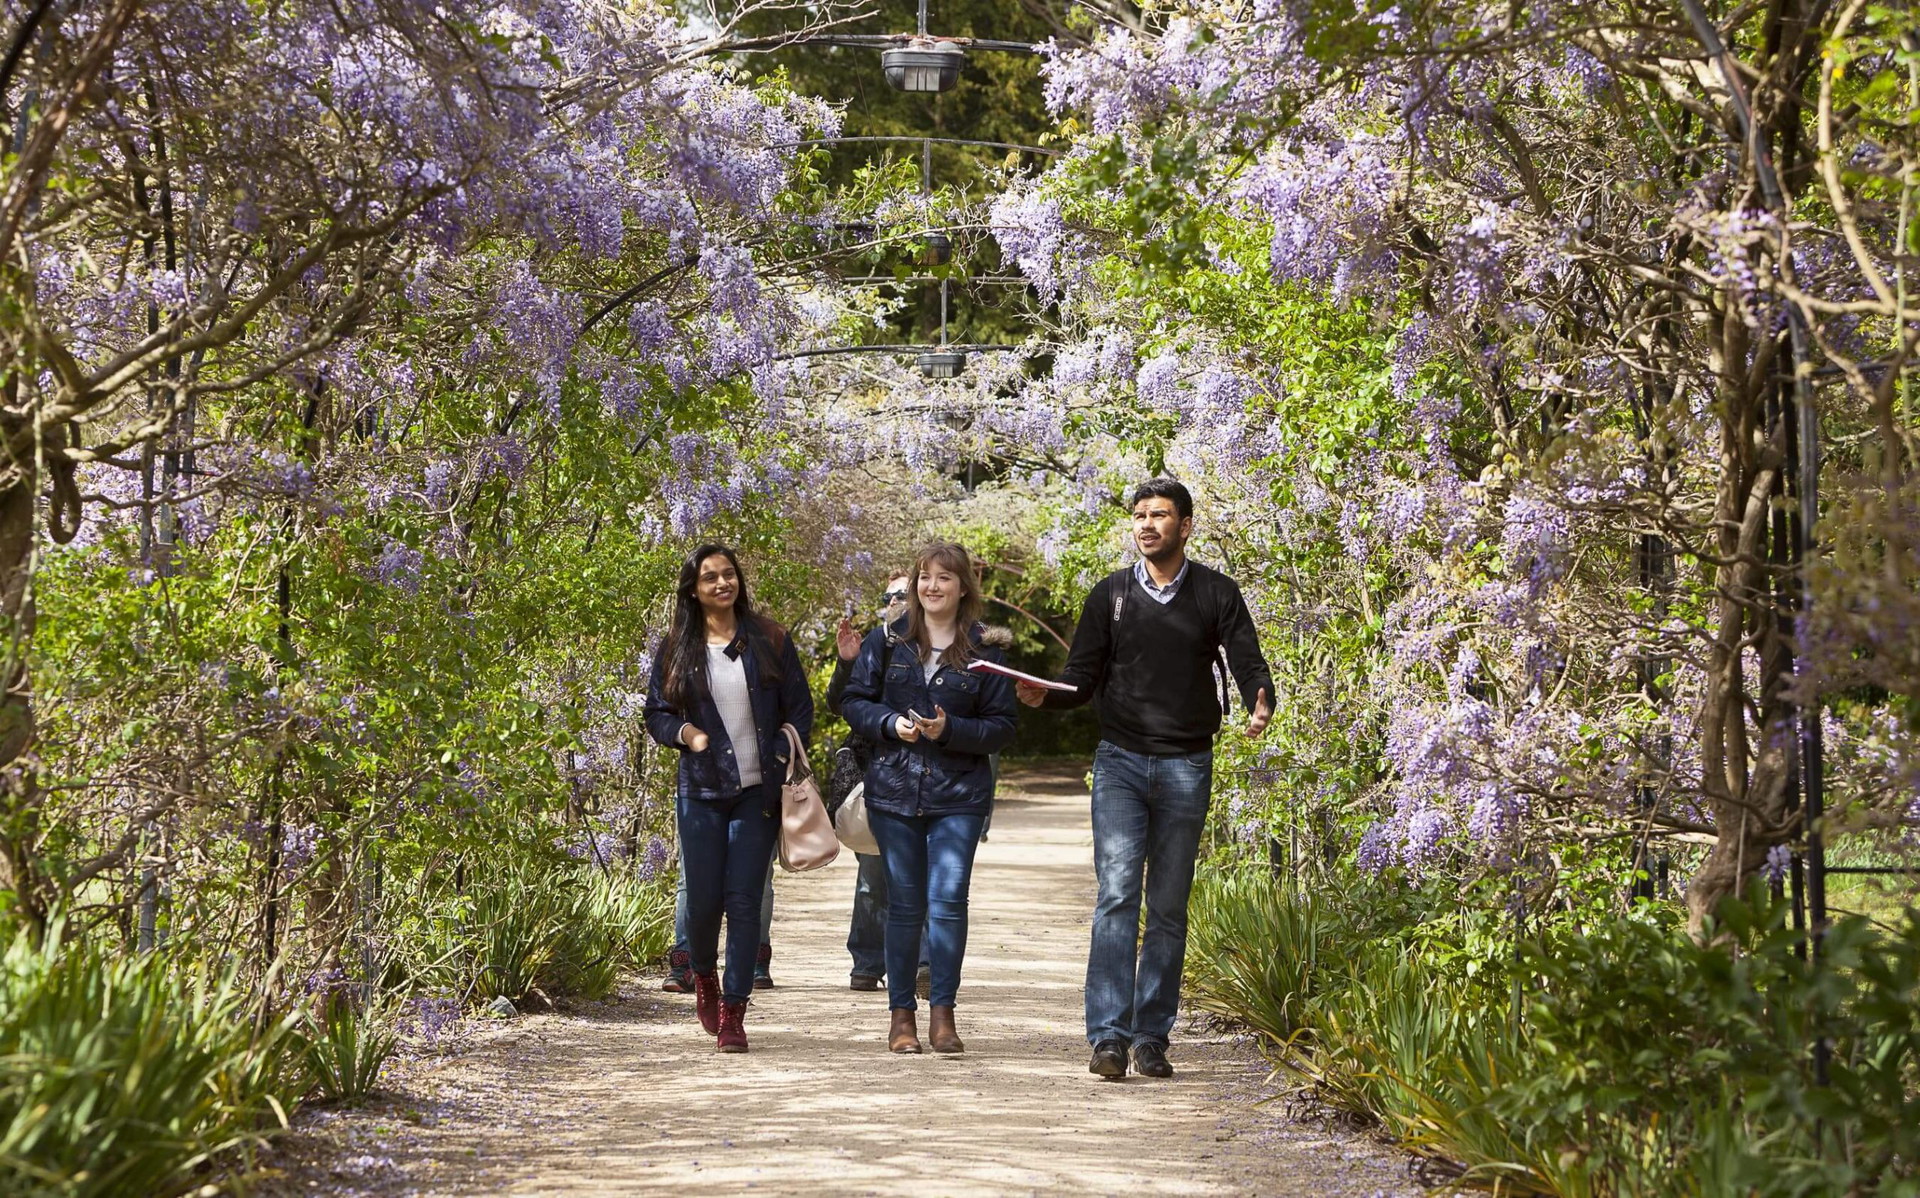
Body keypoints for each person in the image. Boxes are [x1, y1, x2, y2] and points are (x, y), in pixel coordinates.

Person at [1016, 478, 1273, 1081]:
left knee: (1167, 906)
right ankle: (1108, 1037)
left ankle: (1151, 1037)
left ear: (1186, 526)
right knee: (1116, 896)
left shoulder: (1215, 592)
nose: (1147, 524)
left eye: (1160, 515)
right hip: (1121, 763)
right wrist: (1043, 698)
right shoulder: (1111, 595)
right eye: (1139, 515)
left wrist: (1260, 699)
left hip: (1187, 763)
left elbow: (1247, 659)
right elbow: (1081, 677)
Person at [842, 542, 1017, 1054]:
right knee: (904, 907)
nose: (932, 586)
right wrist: (890, 724)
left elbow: (1002, 726)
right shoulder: (887, 641)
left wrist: (949, 729)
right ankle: (901, 1018)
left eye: (944, 577)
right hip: (894, 790)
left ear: (964, 587)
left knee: (947, 903)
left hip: (958, 794)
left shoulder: (987, 651)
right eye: (924, 577)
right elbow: (854, 701)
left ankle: (944, 1014)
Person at [645, 544, 812, 1053]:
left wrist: (782, 752)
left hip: (756, 791)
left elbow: (800, 709)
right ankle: (703, 975)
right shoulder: (679, 644)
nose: (723, 583)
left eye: (729, 574)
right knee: (702, 901)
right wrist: (686, 735)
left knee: (743, 901)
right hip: (701, 789)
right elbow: (656, 713)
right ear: (693, 590)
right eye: (710, 577)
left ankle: (734, 1011)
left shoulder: (769, 638)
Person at [826, 574, 914, 992]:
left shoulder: (938, 644)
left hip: (925, 775)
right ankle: (866, 963)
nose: (895, 600)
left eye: (903, 593)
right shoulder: (874, 645)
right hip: (875, 772)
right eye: (889, 595)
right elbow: (838, 705)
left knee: (926, 876)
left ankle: (922, 968)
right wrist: (847, 662)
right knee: (873, 877)